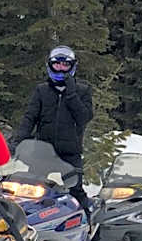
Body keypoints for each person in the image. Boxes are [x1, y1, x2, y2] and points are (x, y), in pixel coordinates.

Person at [9, 46, 93, 211]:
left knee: (76, 191)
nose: (61, 68)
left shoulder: (83, 90)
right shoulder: (42, 90)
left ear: (72, 66)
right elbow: (30, 118)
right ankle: (29, 219)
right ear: (50, 65)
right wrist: (18, 141)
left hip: (70, 152)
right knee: (31, 189)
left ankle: (88, 221)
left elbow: (84, 117)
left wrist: (71, 94)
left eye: (65, 65)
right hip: (43, 151)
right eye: (57, 64)